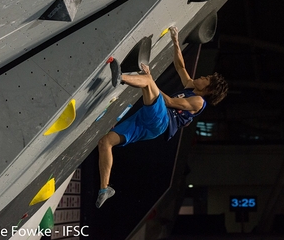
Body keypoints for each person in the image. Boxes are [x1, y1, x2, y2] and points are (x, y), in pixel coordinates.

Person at [96, 27, 228, 208]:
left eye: (206, 78)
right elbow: (181, 67)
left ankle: (121, 77)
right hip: (147, 123)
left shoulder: (198, 101)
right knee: (105, 142)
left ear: (209, 89)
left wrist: (150, 82)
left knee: (149, 81)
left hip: (162, 120)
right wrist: (175, 41)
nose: (203, 76)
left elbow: (171, 102)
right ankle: (105, 189)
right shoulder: (191, 87)